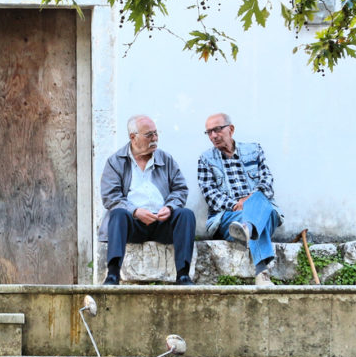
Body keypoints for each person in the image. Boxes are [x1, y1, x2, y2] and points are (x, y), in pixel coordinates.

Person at [99, 115, 196, 286]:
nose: (155, 139)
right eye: (149, 135)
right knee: (118, 214)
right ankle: (113, 275)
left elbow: (180, 189)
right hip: (133, 224)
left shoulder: (166, 159)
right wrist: (134, 211)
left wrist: (170, 207)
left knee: (186, 214)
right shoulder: (115, 162)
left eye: (156, 134)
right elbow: (110, 197)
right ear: (133, 137)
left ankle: (183, 275)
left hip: (161, 221)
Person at [197, 112, 282, 288]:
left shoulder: (254, 150)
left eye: (217, 130)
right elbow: (210, 194)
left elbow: (267, 182)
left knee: (261, 203)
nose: (213, 136)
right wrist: (236, 205)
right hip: (228, 217)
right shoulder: (205, 159)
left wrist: (249, 202)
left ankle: (248, 228)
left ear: (231, 129)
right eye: (209, 132)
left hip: (262, 209)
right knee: (255, 216)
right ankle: (262, 273)